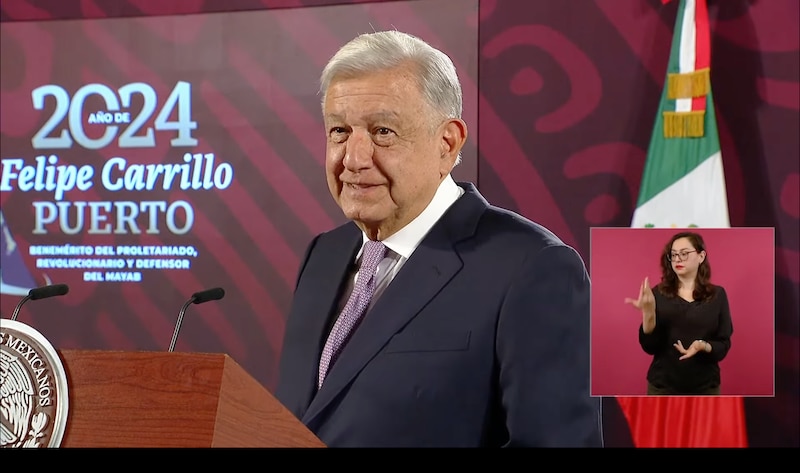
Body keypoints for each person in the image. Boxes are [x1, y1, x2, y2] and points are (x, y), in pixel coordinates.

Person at [274, 30, 603, 447]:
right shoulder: (324, 254)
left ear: (447, 144)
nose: (353, 159)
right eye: (339, 131)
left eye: (382, 132)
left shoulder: (532, 268)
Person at [625, 231, 733, 395]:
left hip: (705, 387)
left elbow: (723, 345)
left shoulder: (717, 295)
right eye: (673, 255)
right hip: (663, 387)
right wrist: (648, 315)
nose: (677, 259)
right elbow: (650, 347)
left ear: (701, 256)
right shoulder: (657, 294)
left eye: (684, 254)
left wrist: (703, 346)